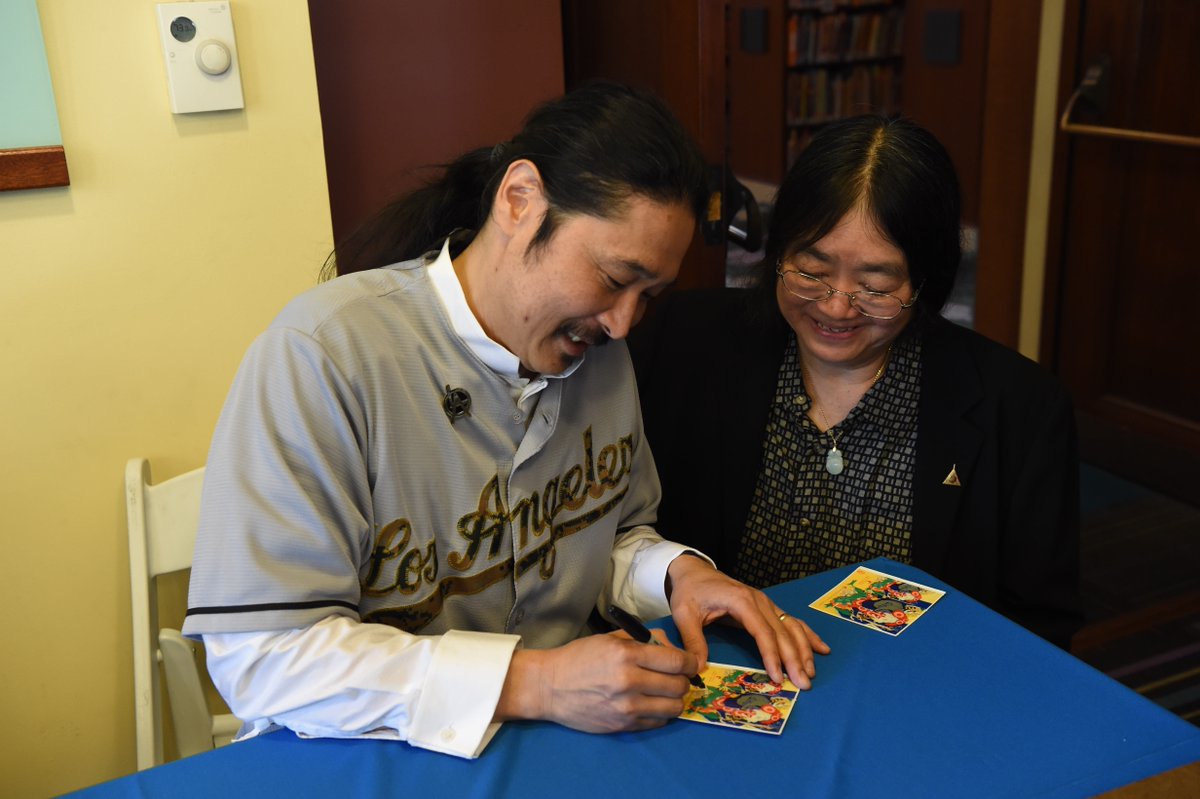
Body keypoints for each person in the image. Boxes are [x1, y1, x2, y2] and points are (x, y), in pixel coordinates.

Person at [182, 81, 828, 760]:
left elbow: (598, 533)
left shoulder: (598, 352)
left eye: (651, 295)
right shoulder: (323, 357)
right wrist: (533, 681)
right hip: (366, 752)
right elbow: (262, 656)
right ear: (519, 200)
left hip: (555, 741)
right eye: (613, 277)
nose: (623, 322)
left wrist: (677, 574)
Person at [629, 114, 1082, 649]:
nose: (837, 306)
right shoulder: (683, 341)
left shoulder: (1021, 408)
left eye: (875, 285)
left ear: (925, 280)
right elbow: (621, 535)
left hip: (917, 690)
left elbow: (1039, 627)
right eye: (812, 271)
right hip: (717, 673)